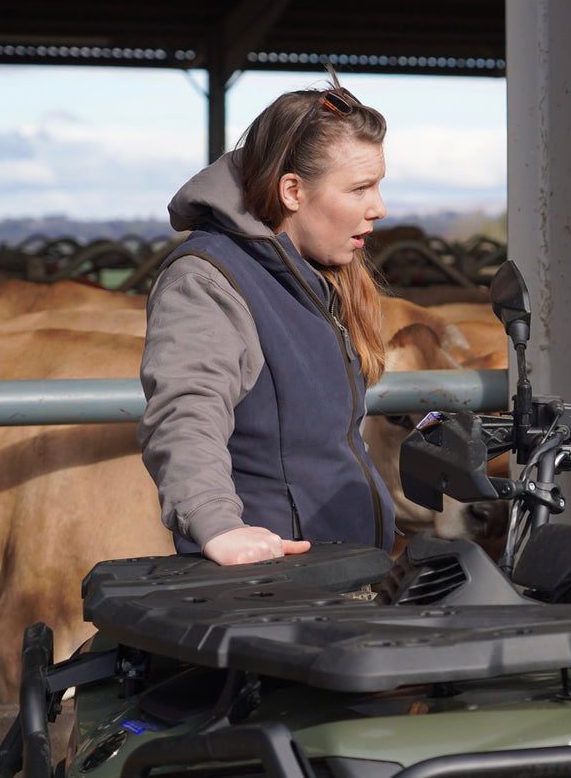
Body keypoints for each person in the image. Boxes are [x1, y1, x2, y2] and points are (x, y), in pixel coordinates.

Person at [138, 72, 397, 566]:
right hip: (268, 580)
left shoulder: (315, 274)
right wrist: (216, 524)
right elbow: (186, 411)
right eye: (360, 188)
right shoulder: (208, 280)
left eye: (378, 185)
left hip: (336, 570)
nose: (380, 208)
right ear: (292, 191)